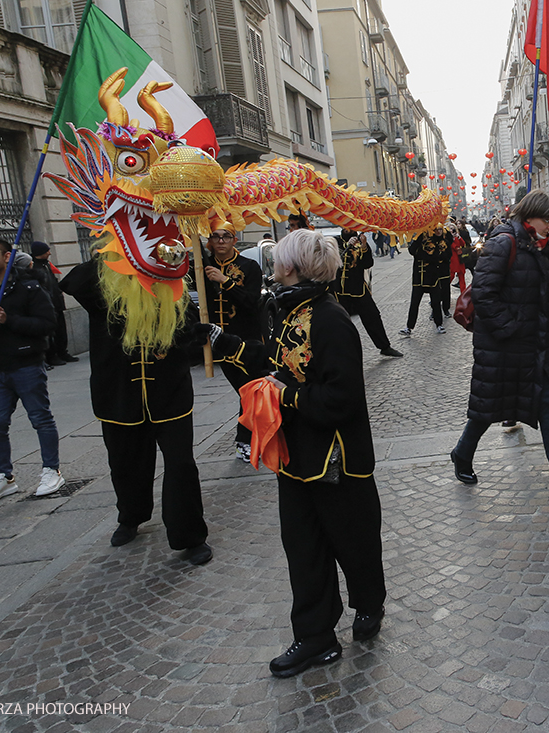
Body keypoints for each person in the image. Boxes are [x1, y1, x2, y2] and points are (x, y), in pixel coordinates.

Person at [199, 229, 386, 678]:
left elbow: (340, 399)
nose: (272, 265)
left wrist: (287, 397)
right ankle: (317, 638)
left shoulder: (330, 320)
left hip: (335, 462)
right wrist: (224, 341)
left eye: (279, 259)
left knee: (353, 542)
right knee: (303, 549)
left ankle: (368, 602)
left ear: (294, 267)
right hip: (295, 455)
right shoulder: (288, 309)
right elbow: (274, 363)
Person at [60, 249, 211, 565]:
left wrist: (193, 340)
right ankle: (131, 515)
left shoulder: (171, 282)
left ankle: (189, 535)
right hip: (118, 393)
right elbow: (73, 282)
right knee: (126, 461)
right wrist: (119, 245)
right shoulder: (102, 283)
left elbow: (191, 333)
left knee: (181, 464)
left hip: (169, 392)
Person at [450, 190, 549, 495]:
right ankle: (462, 453)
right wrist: (512, 328)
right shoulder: (504, 241)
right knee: (488, 405)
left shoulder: (536, 242)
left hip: (537, 342)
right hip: (506, 345)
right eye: (548, 220)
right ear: (530, 215)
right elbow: (484, 293)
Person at [0, 236, 65, 503]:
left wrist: (10, 320)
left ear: (6, 257)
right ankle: (4, 476)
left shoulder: (28, 286)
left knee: (40, 419)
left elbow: (47, 323)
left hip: (26, 364)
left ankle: (52, 469)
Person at [201, 220, 266, 462]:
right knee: (246, 390)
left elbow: (251, 302)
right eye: (215, 236)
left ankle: (247, 439)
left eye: (225, 236)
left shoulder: (249, 267)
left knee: (251, 390)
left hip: (247, 340)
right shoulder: (201, 266)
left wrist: (225, 281)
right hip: (219, 344)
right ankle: (246, 439)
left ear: (234, 240)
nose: (220, 241)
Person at [333, 230, 403, 358]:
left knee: (373, 316)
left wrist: (364, 246)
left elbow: (368, 263)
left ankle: (384, 346)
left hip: (358, 288)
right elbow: (334, 262)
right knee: (339, 323)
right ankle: (339, 352)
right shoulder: (335, 241)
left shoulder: (362, 241)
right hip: (339, 290)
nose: (348, 228)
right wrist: (347, 246)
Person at [30, 241, 77, 367]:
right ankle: (52, 355)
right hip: (48, 305)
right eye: (47, 251)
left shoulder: (46, 265)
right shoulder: (35, 268)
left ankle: (63, 352)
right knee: (52, 333)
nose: (49, 253)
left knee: (61, 330)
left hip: (57, 303)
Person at [399, 226, 450, 335]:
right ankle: (409, 327)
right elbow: (412, 251)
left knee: (436, 303)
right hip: (418, 279)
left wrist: (422, 255)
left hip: (432, 278)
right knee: (414, 304)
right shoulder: (418, 241)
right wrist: (419, 241)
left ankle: (439, 324)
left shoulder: (435, 242)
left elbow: (436, 257)